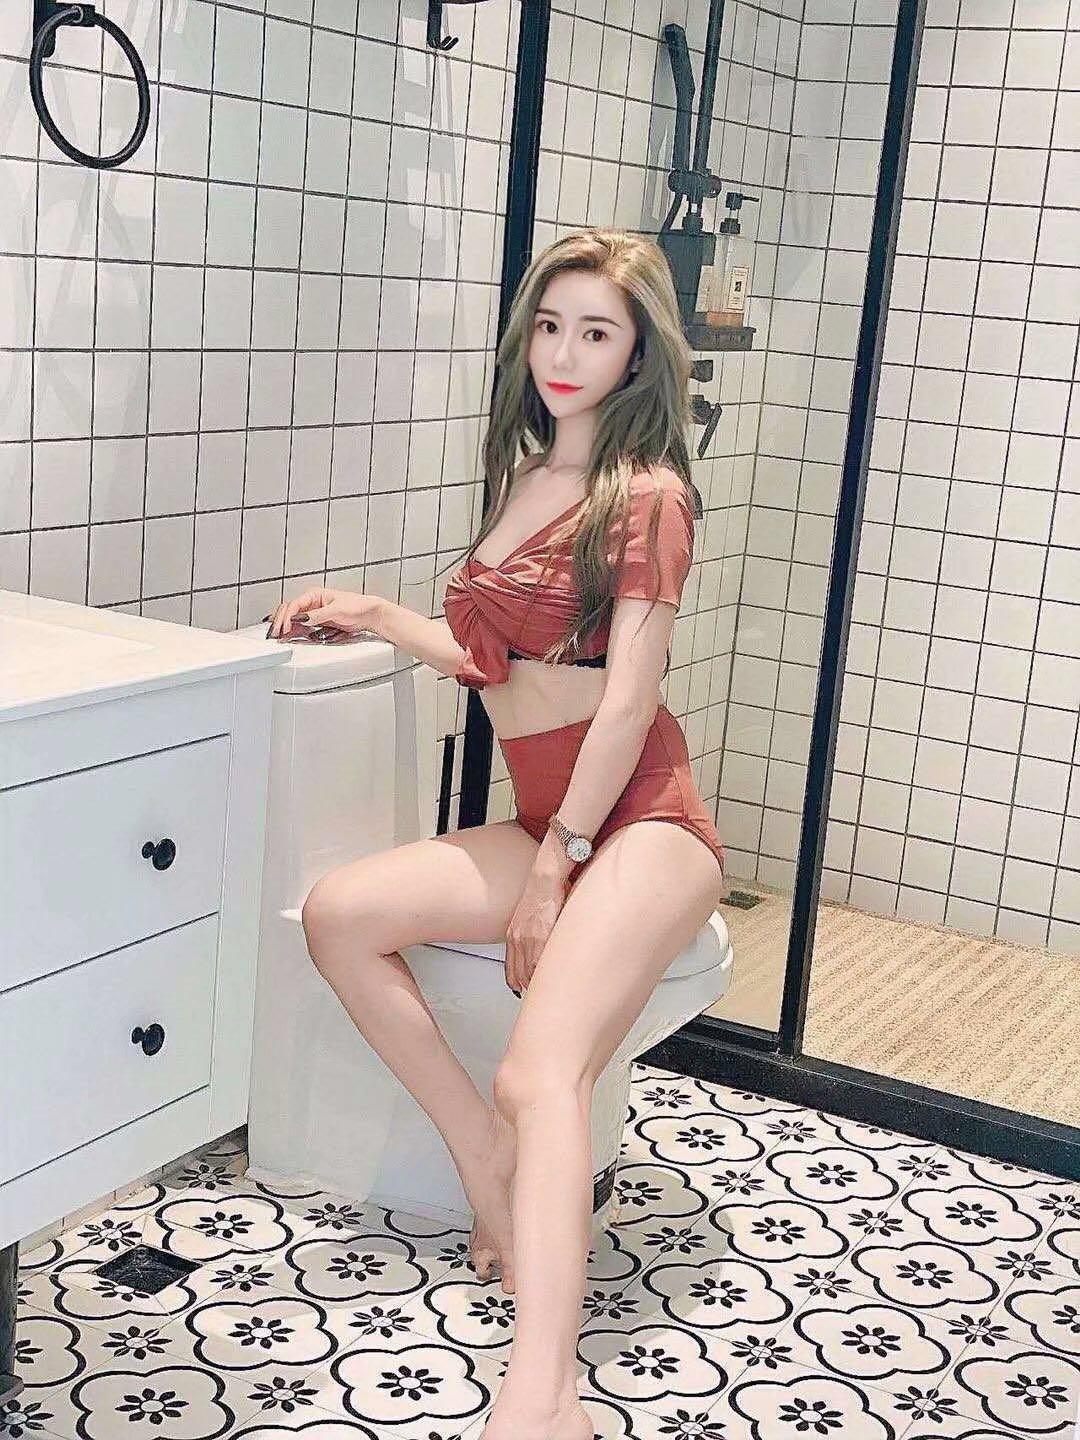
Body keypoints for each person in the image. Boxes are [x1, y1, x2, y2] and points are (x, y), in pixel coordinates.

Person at [267, 228, 726, 1440]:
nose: (565, 354)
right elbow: (493, 662)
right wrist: (375, 612)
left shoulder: (649, 497)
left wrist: (554, 868)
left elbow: (626, 700)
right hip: (544, 812)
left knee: (538, 1070)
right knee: (341, 916)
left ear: (638, 356)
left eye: (597, 332)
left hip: (640, 821)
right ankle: (485, 1161)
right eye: (551, 326)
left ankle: (545, 1394)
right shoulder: (526, 478)